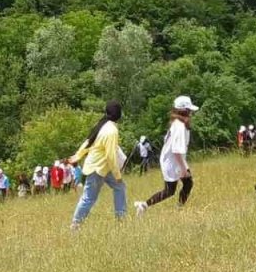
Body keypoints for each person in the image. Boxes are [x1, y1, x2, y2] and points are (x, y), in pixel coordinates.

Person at [135, 96, 200, 216]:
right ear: (185, 111)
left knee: (184, 185)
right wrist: (183, 168)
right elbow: (176, 150)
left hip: (173, 160)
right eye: (190, 110)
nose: (191, 113)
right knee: (171, 190)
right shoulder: (179, 126)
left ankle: (175, 208)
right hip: (173, 161)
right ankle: (144, 205)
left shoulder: (177, 123)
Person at [70, 101, 128, 229]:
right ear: (119, 114)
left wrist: (77, 156)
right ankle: (75, 224)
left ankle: (121, 219)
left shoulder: (102, 124)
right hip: (97, 168)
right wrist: (117, 174)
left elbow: (87, 142)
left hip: (104, 167)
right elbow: (111, 155)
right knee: (89, 198)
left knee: (120, 188)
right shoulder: (111, 130)